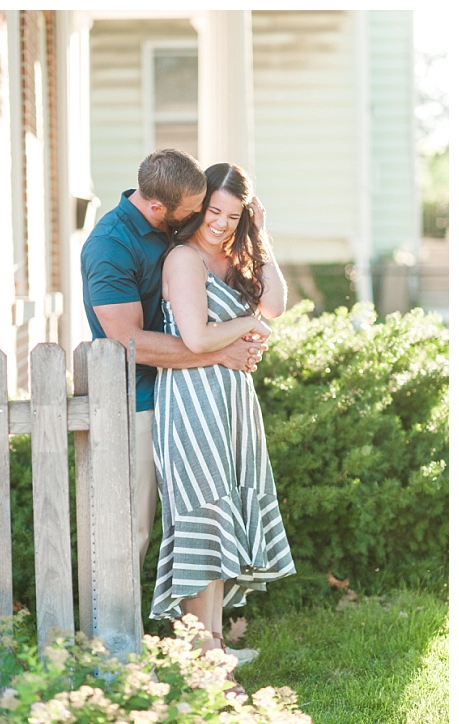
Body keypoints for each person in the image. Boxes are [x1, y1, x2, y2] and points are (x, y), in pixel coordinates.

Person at [81, 149, 265, 579]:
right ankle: (109, 643)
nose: (201, 218)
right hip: (136, 400)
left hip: (182, 398)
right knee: (132, 528)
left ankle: (194, 640)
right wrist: (219, 351)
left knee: (201, 519)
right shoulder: (110, 245)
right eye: (194, 210)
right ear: (158, 205)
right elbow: (129, 342)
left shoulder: (169, 225)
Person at [148, 162, 296, 693]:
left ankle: (212, 646)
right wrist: (247, 326)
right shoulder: (184, 259)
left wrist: (262, 235)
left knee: (219, 519)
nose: (220, 223)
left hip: (231, 401)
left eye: (233, 216)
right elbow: (193, 335)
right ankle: (203, 660)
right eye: (214, 211)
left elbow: (274, 304)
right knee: (200, 521)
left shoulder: (233, 255)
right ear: (200, 205)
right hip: (191, 401)